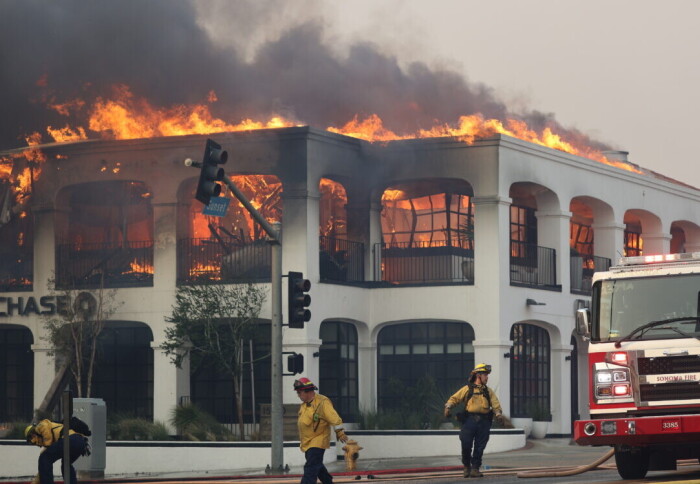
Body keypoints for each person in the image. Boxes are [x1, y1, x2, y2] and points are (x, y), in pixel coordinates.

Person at [444, 363, 503, 478]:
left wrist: (498, 414)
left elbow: (496, 405)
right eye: (485, 375)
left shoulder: (488, 391)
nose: (487, 377)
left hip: (484, 422)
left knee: (480, 447)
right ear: (478, 375)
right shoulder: (467, 389)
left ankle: (475, 469)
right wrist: (448, 407)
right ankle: (467, 466)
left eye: (487, 375)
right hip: (469, 421)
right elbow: (454, 398)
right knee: (466, 444)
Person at [294, 377, 348, 484]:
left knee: (310, 467)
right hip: (308, 442)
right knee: (317, 465)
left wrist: (339, 431)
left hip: (318, 440)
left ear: (308, 391)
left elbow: (333, 417)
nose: (298, 395)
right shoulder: (305, 404)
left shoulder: (322, 402)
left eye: (299, 393)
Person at [25, 419, 88, 484]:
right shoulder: (52, 436)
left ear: (32, 435)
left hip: (70, 439)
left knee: (45, 458)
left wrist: (46, 447)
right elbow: (43, 469)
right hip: (80, 442)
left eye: (32, 441)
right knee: (66, 465)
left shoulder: (40, 426)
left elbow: (47, 435)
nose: (38, 445)